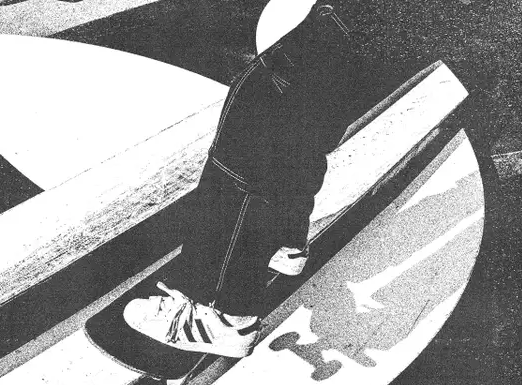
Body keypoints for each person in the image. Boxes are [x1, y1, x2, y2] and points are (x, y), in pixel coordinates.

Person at [123, 0, 368, 359]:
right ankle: (287, 240)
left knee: (247, 149)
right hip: (372, 22)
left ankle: (225, 315)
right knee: (306, 124)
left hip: (347, 20)